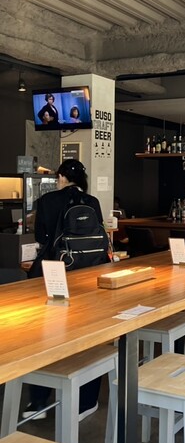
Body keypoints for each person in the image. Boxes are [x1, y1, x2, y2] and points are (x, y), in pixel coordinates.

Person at [24, 159, 108, 422]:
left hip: (54, 274)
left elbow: (41, 237)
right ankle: (86, 401)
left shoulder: (47, 201)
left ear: (60, 177)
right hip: (88, 275)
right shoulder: (92, 201)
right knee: (87, 336)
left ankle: (38, 402)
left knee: (45, 337)